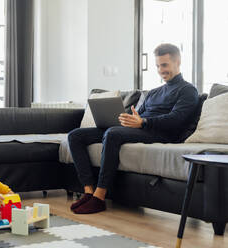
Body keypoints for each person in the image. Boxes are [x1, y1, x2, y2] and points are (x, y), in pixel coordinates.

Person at [68, 43, 199, 214]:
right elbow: (138, 115)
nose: (161, 70)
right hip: (141, 128)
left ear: (178, 62)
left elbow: (176, 120)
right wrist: (126, 118)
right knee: (75, 136)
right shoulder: (153, 92)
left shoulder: (188, 90)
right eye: (158, 66)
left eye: (164, 65)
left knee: (113, 134)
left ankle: (99, 197)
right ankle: (88, 192)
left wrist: (143, 122)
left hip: (161, 133)